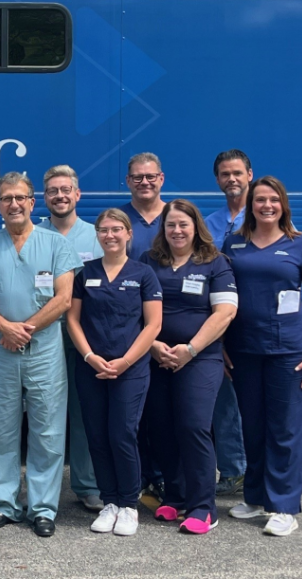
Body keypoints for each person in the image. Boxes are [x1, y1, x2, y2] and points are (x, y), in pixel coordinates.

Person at [0, 172, 79, 538]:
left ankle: (43, 508)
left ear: (33, 202)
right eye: (5, 198)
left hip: (43, 348)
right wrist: (5, 327)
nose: (13, 204)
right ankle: (5, 504)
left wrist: (23, 329)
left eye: (20, 198)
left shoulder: (55, 244)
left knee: (46, 428)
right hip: (1, 348)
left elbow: (63, 298)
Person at [223, 176, 302, 537]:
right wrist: (220, 344)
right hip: (243, 349)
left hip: (289, 352)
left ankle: (283, 506)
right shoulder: (233, 244)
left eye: (273, 200)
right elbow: (222, 296)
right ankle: (255, 497)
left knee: (285, 429)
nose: (266, 205)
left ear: (283, 205)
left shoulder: (301, 245)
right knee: (252, 425)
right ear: (250, 205)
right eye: (260, 200)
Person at [142, 200, 238, 534]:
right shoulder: (150, 262)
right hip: (156, 357)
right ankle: (178, 497)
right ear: (163, 229)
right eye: (171, 225)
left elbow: (224, 312)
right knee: (163, 428)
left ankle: (203, 507)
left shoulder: (215, 263)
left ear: (196, 226)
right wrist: (152, 346)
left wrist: (191, 348)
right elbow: (134, 308)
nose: (177, 230)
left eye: (183, 224)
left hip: (200, 358)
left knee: (194, 426)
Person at [66, 208, 162, 537]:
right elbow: (73, 320)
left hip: (130, 369)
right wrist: (90, 356)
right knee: (97, 435)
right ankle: (109, 502)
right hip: (91, 367)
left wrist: (125, 361)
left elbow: (153, 325)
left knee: (122, 433)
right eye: (104, 230)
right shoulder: (86, 273)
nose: (110, 235)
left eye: (116, 229)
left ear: (128, 234)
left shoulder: (143, 274)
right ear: (97, 235)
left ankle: (129, 505)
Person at [37, 165, 105, 512]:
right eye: (52, 191)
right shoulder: (34, 236)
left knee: (84, 411)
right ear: (44, 198)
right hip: (45, 337)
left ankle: (86, 483)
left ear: (77, 195)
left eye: (66, 190)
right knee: (44, 415)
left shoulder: (97, 236)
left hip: (86, 340)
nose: (60, 196)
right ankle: (40, 489)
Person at [205, 149, 253, 496]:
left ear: (249, 174)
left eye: (237, 172)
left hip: (256, 323)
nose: (231, 179)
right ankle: (234, 470)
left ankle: (261, 474)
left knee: (259, 400)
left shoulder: (269, 214)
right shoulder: (209, 224)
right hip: (220, 323)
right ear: (218, 180)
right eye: (225, 174)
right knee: (223, 400)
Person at [120, 152, 167, 499]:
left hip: (172, 325)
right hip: (128, 328)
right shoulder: (121, 220)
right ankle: (139, 476)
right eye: (137, 177)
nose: (144, 182)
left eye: (150, 176)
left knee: (166, 408)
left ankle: (165, 475)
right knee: (134, 410)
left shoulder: (176, 217)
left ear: (161, 178)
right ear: (128, 182)